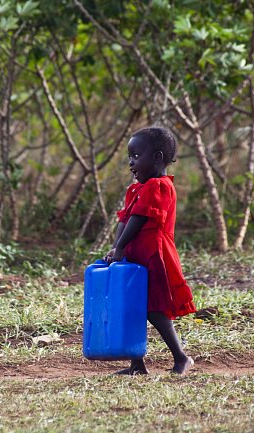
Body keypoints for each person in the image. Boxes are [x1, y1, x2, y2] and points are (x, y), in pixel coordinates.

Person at [104, 126, 196, 375]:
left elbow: (140, 219)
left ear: (157, 157)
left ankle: (181, 357)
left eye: (136, 156)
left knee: (154, 309)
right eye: (129, 157)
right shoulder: (136, 188)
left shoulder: (159, 186)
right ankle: (136, 364)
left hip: (154, 255)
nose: (131, 163)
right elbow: (125, 219)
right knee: (132, 307)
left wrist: (121, 246)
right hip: (135, 255)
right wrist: (116, 248)